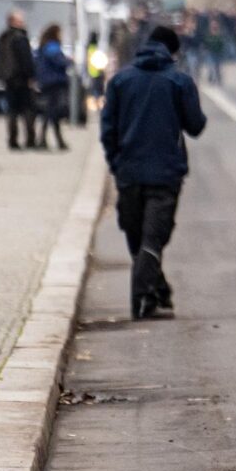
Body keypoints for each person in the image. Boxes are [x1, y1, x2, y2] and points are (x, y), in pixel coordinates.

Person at [101, 25, 207, 320]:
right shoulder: (179, 81)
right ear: (172, 51)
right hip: (165, 174)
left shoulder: (120, 81)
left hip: (130, 173)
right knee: (153, 238)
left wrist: (116, 163)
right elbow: (196, 126)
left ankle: (156, 293)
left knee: (138, 238)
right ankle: (144, 297)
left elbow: (108, 129)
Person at [0, 11, 34, 151]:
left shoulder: (2, 37)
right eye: (20, 20)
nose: (23, 22)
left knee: (12, 111)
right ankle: (30, 139)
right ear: (14, 22)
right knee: (27, 110)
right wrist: (31, 77)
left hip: (8, 80)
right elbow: (26, 61)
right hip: (21, 80)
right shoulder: (20, 38)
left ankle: (13, 140)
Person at [34, 23, 72, 152]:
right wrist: (69, 61)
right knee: (52, 111)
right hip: (54, 82)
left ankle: (49, 140)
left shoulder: (43, 46)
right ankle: (46, 140)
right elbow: (59, 61)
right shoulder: (52, 47)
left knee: (50, 111)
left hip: (47, 82)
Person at [84, 32, 108, 115]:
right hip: (96, 72)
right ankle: (97, 104)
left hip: (92, 72)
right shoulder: (94, 49)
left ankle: (96, 103)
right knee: (97, 90)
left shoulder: (89, 48)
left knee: (95, 89)